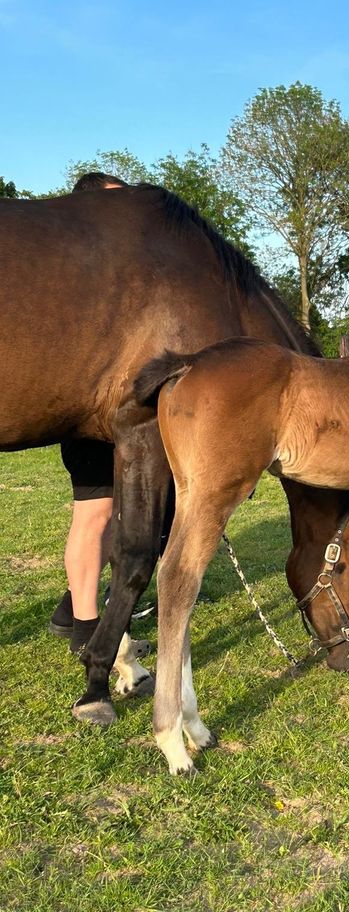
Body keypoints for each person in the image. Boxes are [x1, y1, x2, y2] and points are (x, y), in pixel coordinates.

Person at [49, 173, 128, 651]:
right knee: (95, 514)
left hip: (117, 418)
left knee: (116, 516)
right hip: (90, 416)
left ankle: (72, 608)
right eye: (117, 207)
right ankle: (85, 631)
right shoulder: (78, 279)